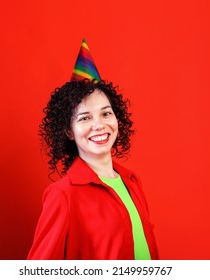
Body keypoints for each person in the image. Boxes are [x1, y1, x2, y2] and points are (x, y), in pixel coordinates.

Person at [28, 39, 159, 260]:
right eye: (85, 117)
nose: (99, 125)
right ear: (69, 132)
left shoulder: (133, 182)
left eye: (106, 113)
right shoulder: (63, 195)